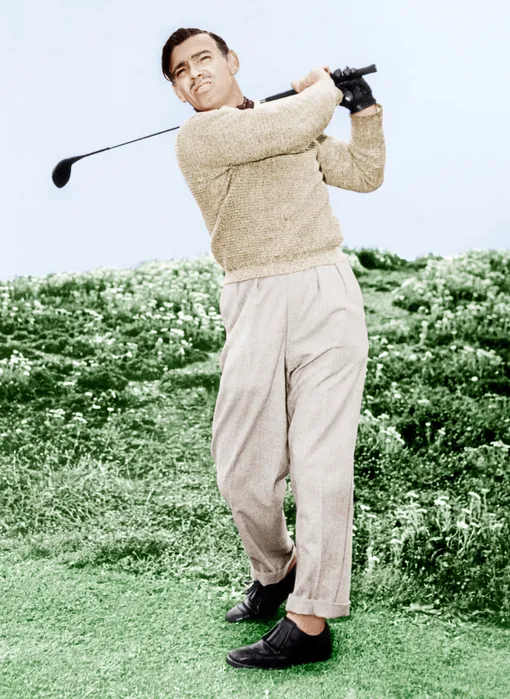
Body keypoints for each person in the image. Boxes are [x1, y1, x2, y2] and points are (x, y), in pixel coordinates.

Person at [162, 27, 386, 670]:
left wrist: (363, 108)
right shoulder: (201, 135)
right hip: (254, 297)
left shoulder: (290, 122)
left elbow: (364, 174)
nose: (195, 74)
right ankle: (277, 569)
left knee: (322, 468)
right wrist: (323, 87)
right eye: (181, 71)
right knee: (242, 470)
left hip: (324, 291)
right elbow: (293, 123)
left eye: (204, 58)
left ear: (232, 61)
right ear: (179, 91)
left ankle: (310, 621)